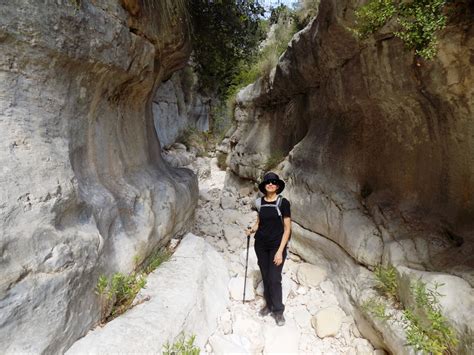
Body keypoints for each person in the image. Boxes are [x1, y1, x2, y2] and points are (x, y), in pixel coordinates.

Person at [246, 172, 291, 326]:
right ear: (264, 186)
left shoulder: (283, 203)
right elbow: (259, 222)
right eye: (268, 182)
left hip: (276, 246)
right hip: (261, 245)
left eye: (273, 182)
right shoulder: (259, 203)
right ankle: (269, 305)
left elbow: (287, 229)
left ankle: (278, 311)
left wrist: (280, 251)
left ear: (277, 186)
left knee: (274, 278)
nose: (270, 184)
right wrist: (251, 230)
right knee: (266, 276)